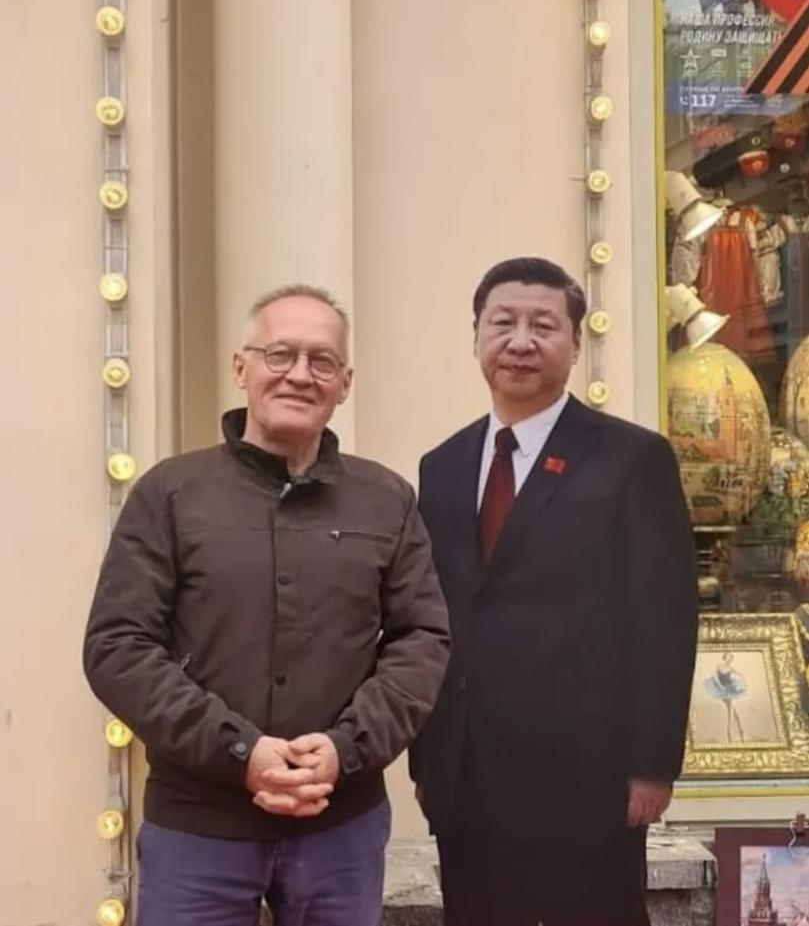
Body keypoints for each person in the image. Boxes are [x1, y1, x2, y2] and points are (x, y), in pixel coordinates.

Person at [84, 284, 450, 926]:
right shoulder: (170, 495)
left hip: (340, 827)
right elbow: (118, 647)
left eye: (322, 361)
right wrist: (238, 752)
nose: (300, 375)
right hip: (197, 829)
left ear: (346, 383)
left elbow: (422, 640)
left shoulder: (387, 501)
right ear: (241, 368)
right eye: (280, 354)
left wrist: (346, 747)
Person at [410, 257, 697, 926]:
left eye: (543, 324)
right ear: (476, 337)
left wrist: (654, 765)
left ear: (574, 343)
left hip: (589, 781)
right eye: (501, 322)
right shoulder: (443, 465)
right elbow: (434, 614)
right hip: (466, 779)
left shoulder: (631, 457)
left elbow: (666, 619)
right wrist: (429, 757)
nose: (520, 340)